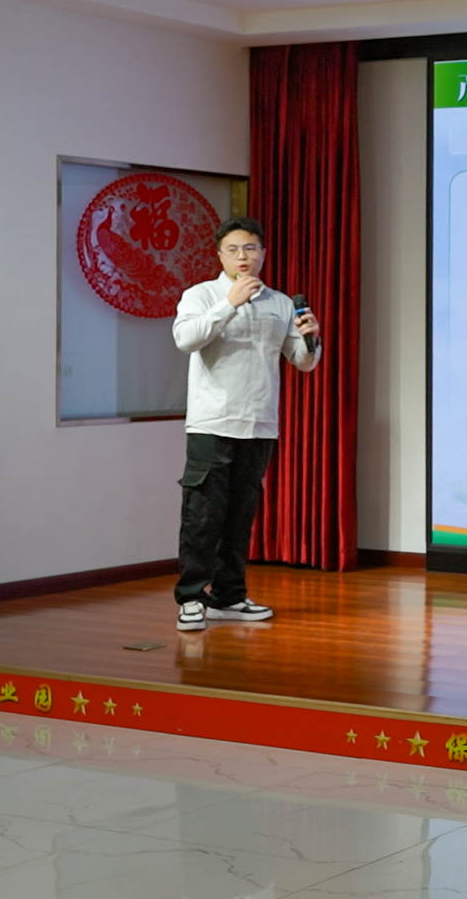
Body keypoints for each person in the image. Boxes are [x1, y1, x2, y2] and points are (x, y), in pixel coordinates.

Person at [171, 217, 322, 631]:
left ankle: (229, 596)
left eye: (251, 248)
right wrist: (230, 303)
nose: (243, 257)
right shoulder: (201, 295)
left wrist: (312, 338)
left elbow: (303, 362)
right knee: (203, 515)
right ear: (220, 255)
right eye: (234, 249)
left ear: (263, 253)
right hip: (212, 422)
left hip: (259, 424)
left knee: (240, 514)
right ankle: (191, 598)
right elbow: (186, 339)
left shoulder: (280, 303)